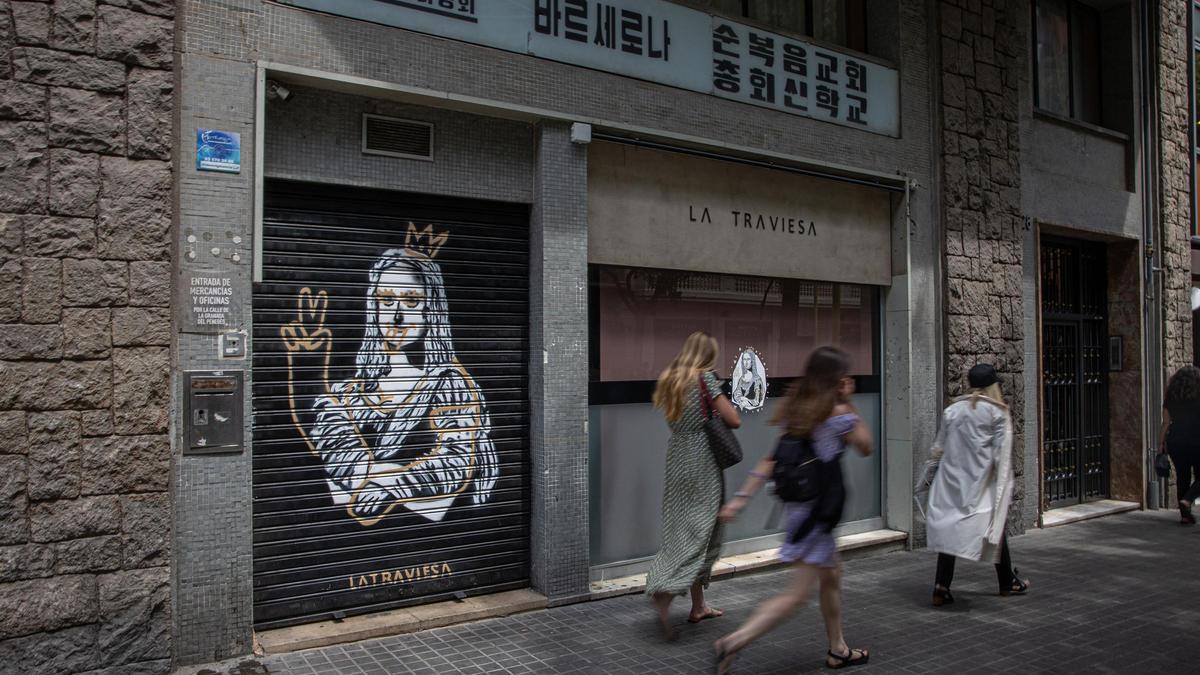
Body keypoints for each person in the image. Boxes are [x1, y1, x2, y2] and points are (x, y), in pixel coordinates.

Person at [281, 233, 499, 527]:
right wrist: (308, 371)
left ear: (430, 310)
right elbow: (328, 437)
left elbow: (457, 460)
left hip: (426, 535)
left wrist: (391, 484)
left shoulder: (449, 384)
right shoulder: (353, 391)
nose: (396, 316)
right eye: (386, 300)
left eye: (411, 301)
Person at [713, 346, 873, 672]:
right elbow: (866, 446)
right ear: (836, 379)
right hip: (817, 518)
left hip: (800, 512)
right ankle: (734, 642)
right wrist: (849, 403)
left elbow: (771, 460)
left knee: (832, 576)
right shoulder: (840, 415)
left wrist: (741, 499)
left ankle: (837, 648)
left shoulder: (799, 410)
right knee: (796, 595)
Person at [646, 331, 742, 640]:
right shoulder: (705, 379)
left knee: (687, 527)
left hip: (678, 458)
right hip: (702, 460)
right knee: (700, 531)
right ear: (706, 355)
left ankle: (698, 606)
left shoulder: (670, 379)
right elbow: (734, 419)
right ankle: (665, 589)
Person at [926, 364, 1029, 606]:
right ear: (994, 386)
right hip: (980, 485)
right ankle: (1007, 582)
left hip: (950, 484)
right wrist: (1003, 489)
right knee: (995, 526)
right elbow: (1001, 457)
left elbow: (937, 448)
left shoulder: (952, 411)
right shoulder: (997, 414)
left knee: (951, 531)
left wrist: (928, 479)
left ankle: (941, 586)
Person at [1162, 365, 1200, 525]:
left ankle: (1185, 515)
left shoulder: (1171, 395)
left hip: (1176, 441)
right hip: (1197, 439)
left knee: (1182, 476)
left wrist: (1160, 444)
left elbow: (1165, 423)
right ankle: (1188, 500)